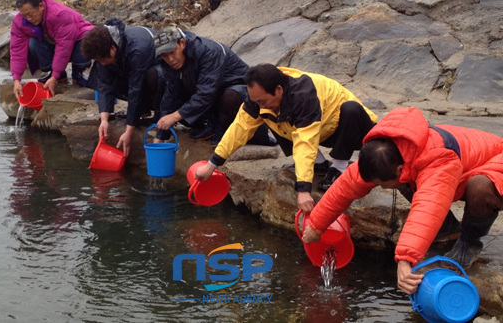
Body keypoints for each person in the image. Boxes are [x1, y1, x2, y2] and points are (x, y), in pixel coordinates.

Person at [302, 107, 503, 295]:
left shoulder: (437, 160)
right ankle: (449, 231)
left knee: (481, 188)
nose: (379, 187)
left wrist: (405, 260)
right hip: (458, 172)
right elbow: (345, 187)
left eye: (381, 184)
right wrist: (317, 225)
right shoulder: (388, 153)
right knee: (406, 181)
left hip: (495, 165)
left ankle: (468, 244)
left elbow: (429, 205)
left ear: (398, 169)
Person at [195, 64, 378, 212]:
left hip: (352, 130)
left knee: (351, 109)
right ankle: (319, 164)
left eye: (262, 100)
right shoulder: (259, 97)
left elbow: (305, 141)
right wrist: (212, 164)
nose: (259, 105)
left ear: (279, 89)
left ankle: (338, 167)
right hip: (321, 131)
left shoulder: (303, 95)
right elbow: (239, 129)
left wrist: (303, 189)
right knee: (271, 115)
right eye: (256, 101)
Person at [153, 26, 274, 146]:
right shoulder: (168, 63)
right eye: (164, 56)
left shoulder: (208, 51)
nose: (170, 59)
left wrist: (174, 117)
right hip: (212, 98)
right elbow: (172, 94)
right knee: (176, 99)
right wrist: (160, 136)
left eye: (172, 52)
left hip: (238, 93)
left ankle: (227, 130)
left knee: (230, 97)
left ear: (182, 43)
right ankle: (212, 125)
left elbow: (206, 93)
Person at [81, 18, 164, 158]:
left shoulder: (137, 49)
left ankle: (158, 112)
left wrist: (128, 131)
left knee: (153, 76)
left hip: (158, 71)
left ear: (113, 48)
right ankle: (141, 111)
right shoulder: (106, 50)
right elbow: (105, 85)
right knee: (104, 73)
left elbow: (135, 89)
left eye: (103, 59)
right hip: (131, 70)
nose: (102, 62)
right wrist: (104, 120)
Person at [10, 0, 93, 98]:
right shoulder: (19, 21)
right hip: (52, 41)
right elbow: (17, 50)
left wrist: (54, 77)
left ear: (40, 6)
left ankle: (78, 72)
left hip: (77, 39)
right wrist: (16, 80)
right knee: (33, 43)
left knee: (88, 39)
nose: (28, 19)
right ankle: (60, 75)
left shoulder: (60, 14)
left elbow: (64, 48)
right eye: (24, 15)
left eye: (30, 14)